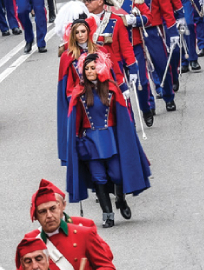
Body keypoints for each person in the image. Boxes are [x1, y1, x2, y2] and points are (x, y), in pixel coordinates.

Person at [65, 52, 151, 228]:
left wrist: (125, 139)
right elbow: (74, 122)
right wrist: (75, 142)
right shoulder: (79, 93)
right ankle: (107, 214)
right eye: (86, 68)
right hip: (91, 142)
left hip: (111, 139)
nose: (90, 71)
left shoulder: (112, 89)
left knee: (118, 174)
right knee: (99, 178)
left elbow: (122, 118)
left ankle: (120, 200)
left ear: (100, 68)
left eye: (93, 67)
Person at [22, 179, 117, 270]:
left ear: (61, 206)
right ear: (35, 216)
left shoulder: (83, 231)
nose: (49, 215)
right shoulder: (30, 240)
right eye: (42, 211)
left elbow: (107, 265)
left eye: (52, 208)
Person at [56, 15, 104, 165]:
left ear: (88, 32)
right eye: (77, 32)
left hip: (100, 96)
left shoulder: (99, 50)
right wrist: (76, 98)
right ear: (73, 35)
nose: (80, 35)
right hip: (81, 99)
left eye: (83, 31)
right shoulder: (67, 56)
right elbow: (67, 86)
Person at [139, 0, 181, 112]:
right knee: (142, 71)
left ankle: (168, 95)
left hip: (152, 29)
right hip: (133, 32)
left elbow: (166, 9)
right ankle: (149, 104)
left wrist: (172, 32)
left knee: (162, 65)